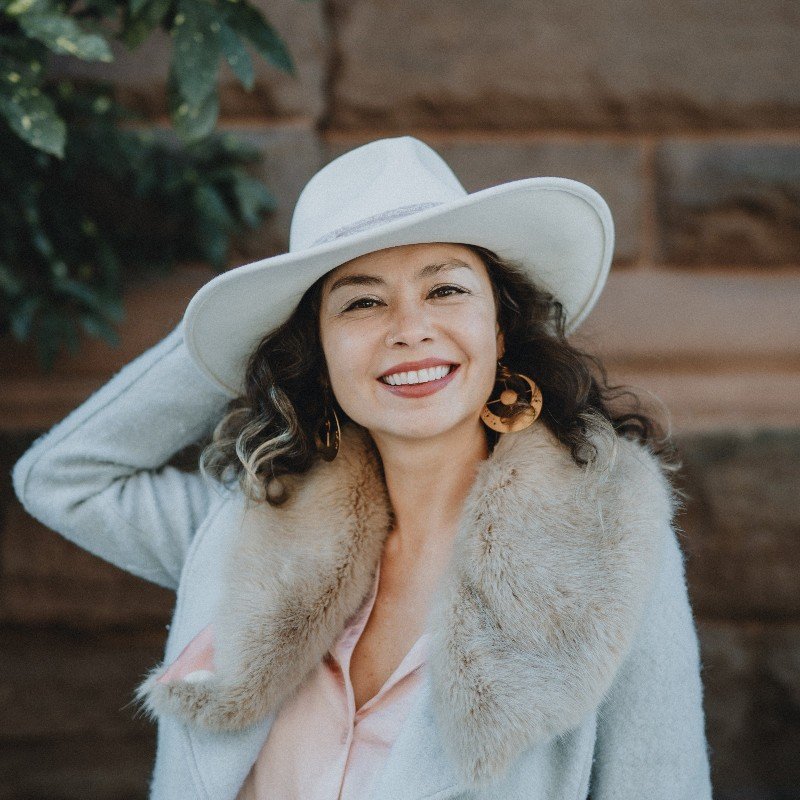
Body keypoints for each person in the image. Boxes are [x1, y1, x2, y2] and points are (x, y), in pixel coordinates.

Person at [12, 136, 713, 800]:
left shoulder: (612, 550)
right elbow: (63, 479)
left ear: (500, 331)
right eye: (362, 302)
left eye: (445, 291)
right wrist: (230, 338)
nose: (409, 327)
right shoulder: (249, 530)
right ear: (314, 349)